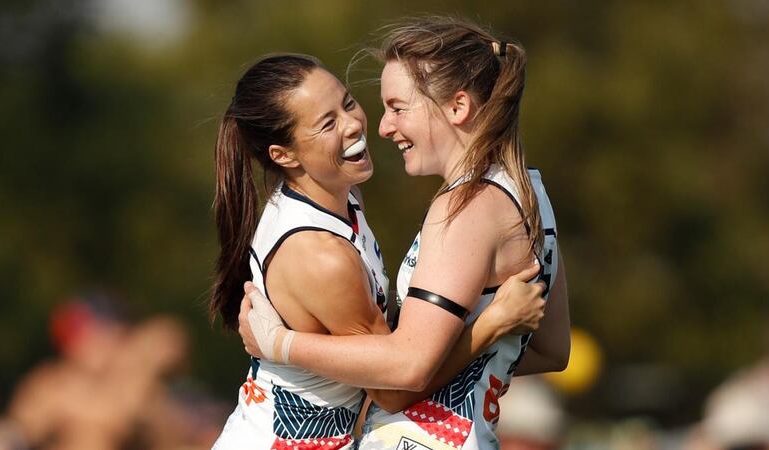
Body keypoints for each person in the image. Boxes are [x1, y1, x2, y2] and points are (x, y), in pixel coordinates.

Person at [238, 16, 571, 450]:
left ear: (457, 107)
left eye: (398, 107)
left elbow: (405, 373)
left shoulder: (461, 208)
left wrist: (280, 343)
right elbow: (552, 350)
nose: (381, 126)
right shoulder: (533, 193)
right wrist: (486, 332)